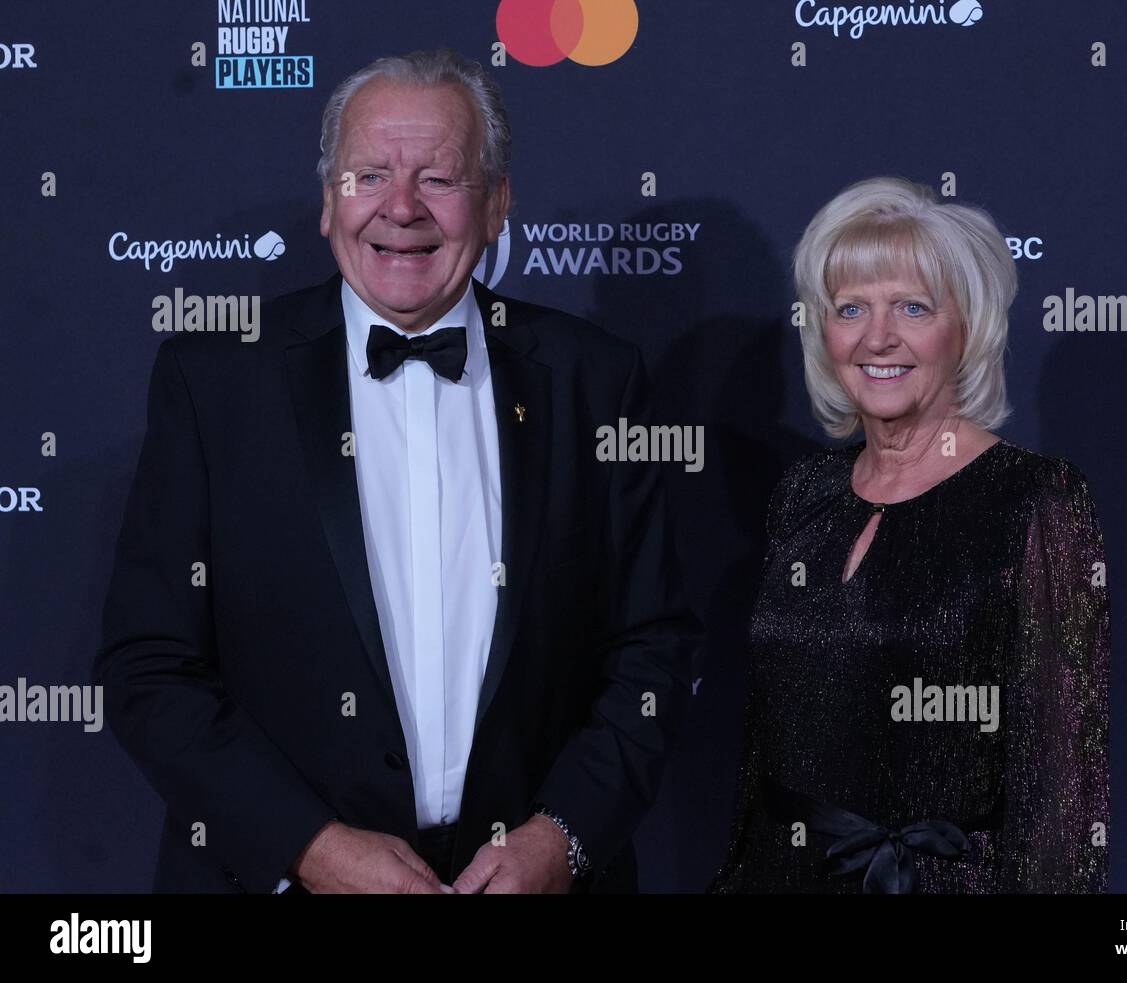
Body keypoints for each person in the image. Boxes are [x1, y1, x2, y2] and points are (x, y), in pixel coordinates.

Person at [95, 49, 697, 895]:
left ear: (497, 204)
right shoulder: (215, 382)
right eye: (368, 175)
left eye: (440, 179)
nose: (401, 208)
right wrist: (309, 847)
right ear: (328, 202)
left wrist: (562, 837)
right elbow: (150, 669)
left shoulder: (594, 381)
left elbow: (654, 650)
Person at [711, 176, 1110, 893]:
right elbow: (763, 754)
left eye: (912, 307)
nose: (877, 337)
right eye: (851, 308)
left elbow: (1062, 792)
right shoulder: (804, 494)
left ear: (969, 325)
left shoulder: (1034, 499)